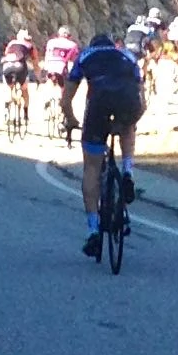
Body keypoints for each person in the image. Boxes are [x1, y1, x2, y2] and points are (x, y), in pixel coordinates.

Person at [62, 31, 145, 257]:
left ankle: (92, 230)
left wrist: (71, 121)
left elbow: (66, 98)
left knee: (91, 168)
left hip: (99, 105)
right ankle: (128, 172)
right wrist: (127, 123)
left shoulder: (85, 56)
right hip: (128, 101)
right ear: (112, 45)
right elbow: (142, 102)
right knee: (128, 126)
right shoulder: (127, 56)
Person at [0, 26, 38, 127]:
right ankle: (25, 115)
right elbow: (35, 64)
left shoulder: (11, 43)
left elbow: (6, 54)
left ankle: (7, 108)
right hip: (20, 67)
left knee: (9, 88)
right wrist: (38, 77)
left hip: (7, 66)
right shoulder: (30, 45)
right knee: (25, 90)